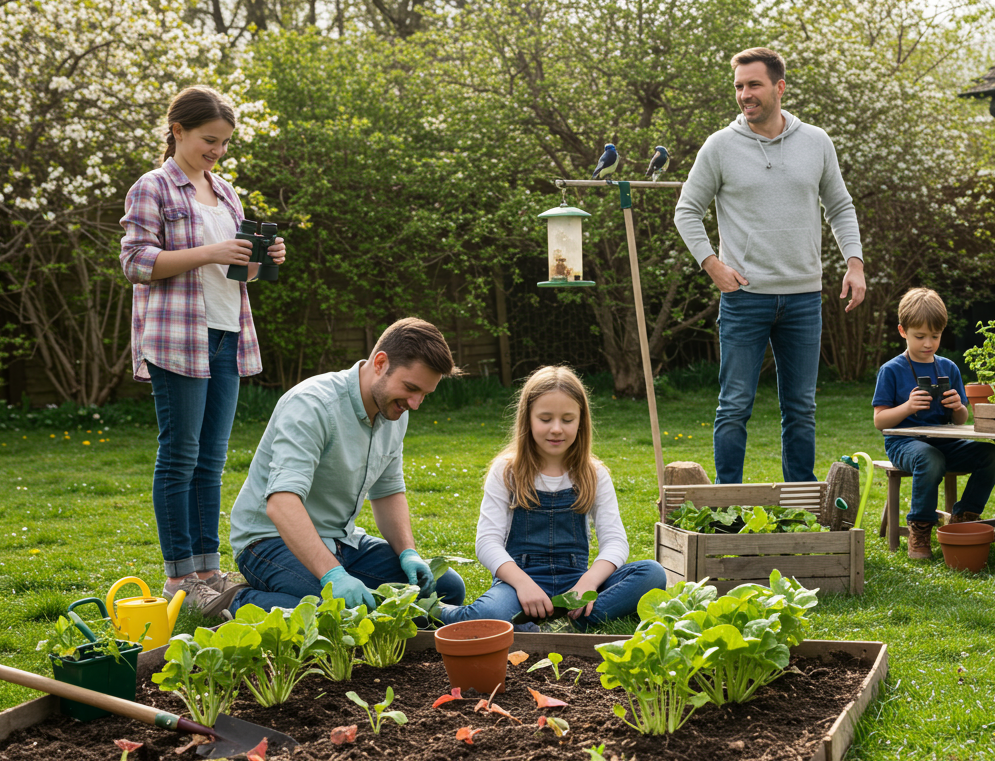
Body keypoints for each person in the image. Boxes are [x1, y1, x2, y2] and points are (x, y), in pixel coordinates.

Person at [119, 86, 288, 617]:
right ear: (178, 131)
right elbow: (136, 261)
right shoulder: (153, 188)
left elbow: (237, 274)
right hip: (177, 337)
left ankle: (209, 571)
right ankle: (179, 578)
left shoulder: (226, 191)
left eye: (223, 143)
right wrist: (209, 251)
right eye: (208, 140)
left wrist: (264, 258)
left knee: (211, 461)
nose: (216, 150)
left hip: (226, 334)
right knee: (180, 457)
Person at [674, 46, 866, 484]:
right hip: (744, 298)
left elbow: (840, 206)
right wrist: (713, 265)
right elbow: (686, 210)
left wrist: (854, 263)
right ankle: (727, 510)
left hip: (803, 298)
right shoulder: (719, 147)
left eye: (754, 84)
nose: (745, 94)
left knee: (800, 408)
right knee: (734, 405)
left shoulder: (816, 141)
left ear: (779, 87)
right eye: (739, 86)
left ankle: (798, 506)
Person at [225, 318, 468, 617]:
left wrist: (408, 552)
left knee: (447, 588)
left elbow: (388, 492)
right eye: (411, 388)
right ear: (380, 363)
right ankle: (240, 601)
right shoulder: (312, 405)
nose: (415, 404)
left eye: (424, 395)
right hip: (269, 541)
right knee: (342, 613)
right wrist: (333, 575)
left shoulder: (394, 412)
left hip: (343, 540)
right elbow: (281, 504)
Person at [440, 366, 666, 630]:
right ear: (528, 419)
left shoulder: (595, 474)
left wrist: (588, 583)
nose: (556, 429)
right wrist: (524, 585)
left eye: (567, 420)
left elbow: (615, 542)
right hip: (518, 585)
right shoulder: (506, 472)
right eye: (545, 419)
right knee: (491, 613)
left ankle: (546, 624)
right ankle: (443, 614)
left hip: (575, 584)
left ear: (581, 420)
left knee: (652, 573)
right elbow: (487, 542)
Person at [872, 289, 995, 559]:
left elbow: (961, 420)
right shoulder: (892, 370)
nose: (928, 343)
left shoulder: (948, 368)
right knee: (929, 458)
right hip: (904, 444)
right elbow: (879, 420)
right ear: (902, 331)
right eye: (920, 336)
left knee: (993, 454)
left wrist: (958, 407)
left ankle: (963, 518)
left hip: (946, 442)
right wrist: (907, 407)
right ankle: (920, 530)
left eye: (935, 336)